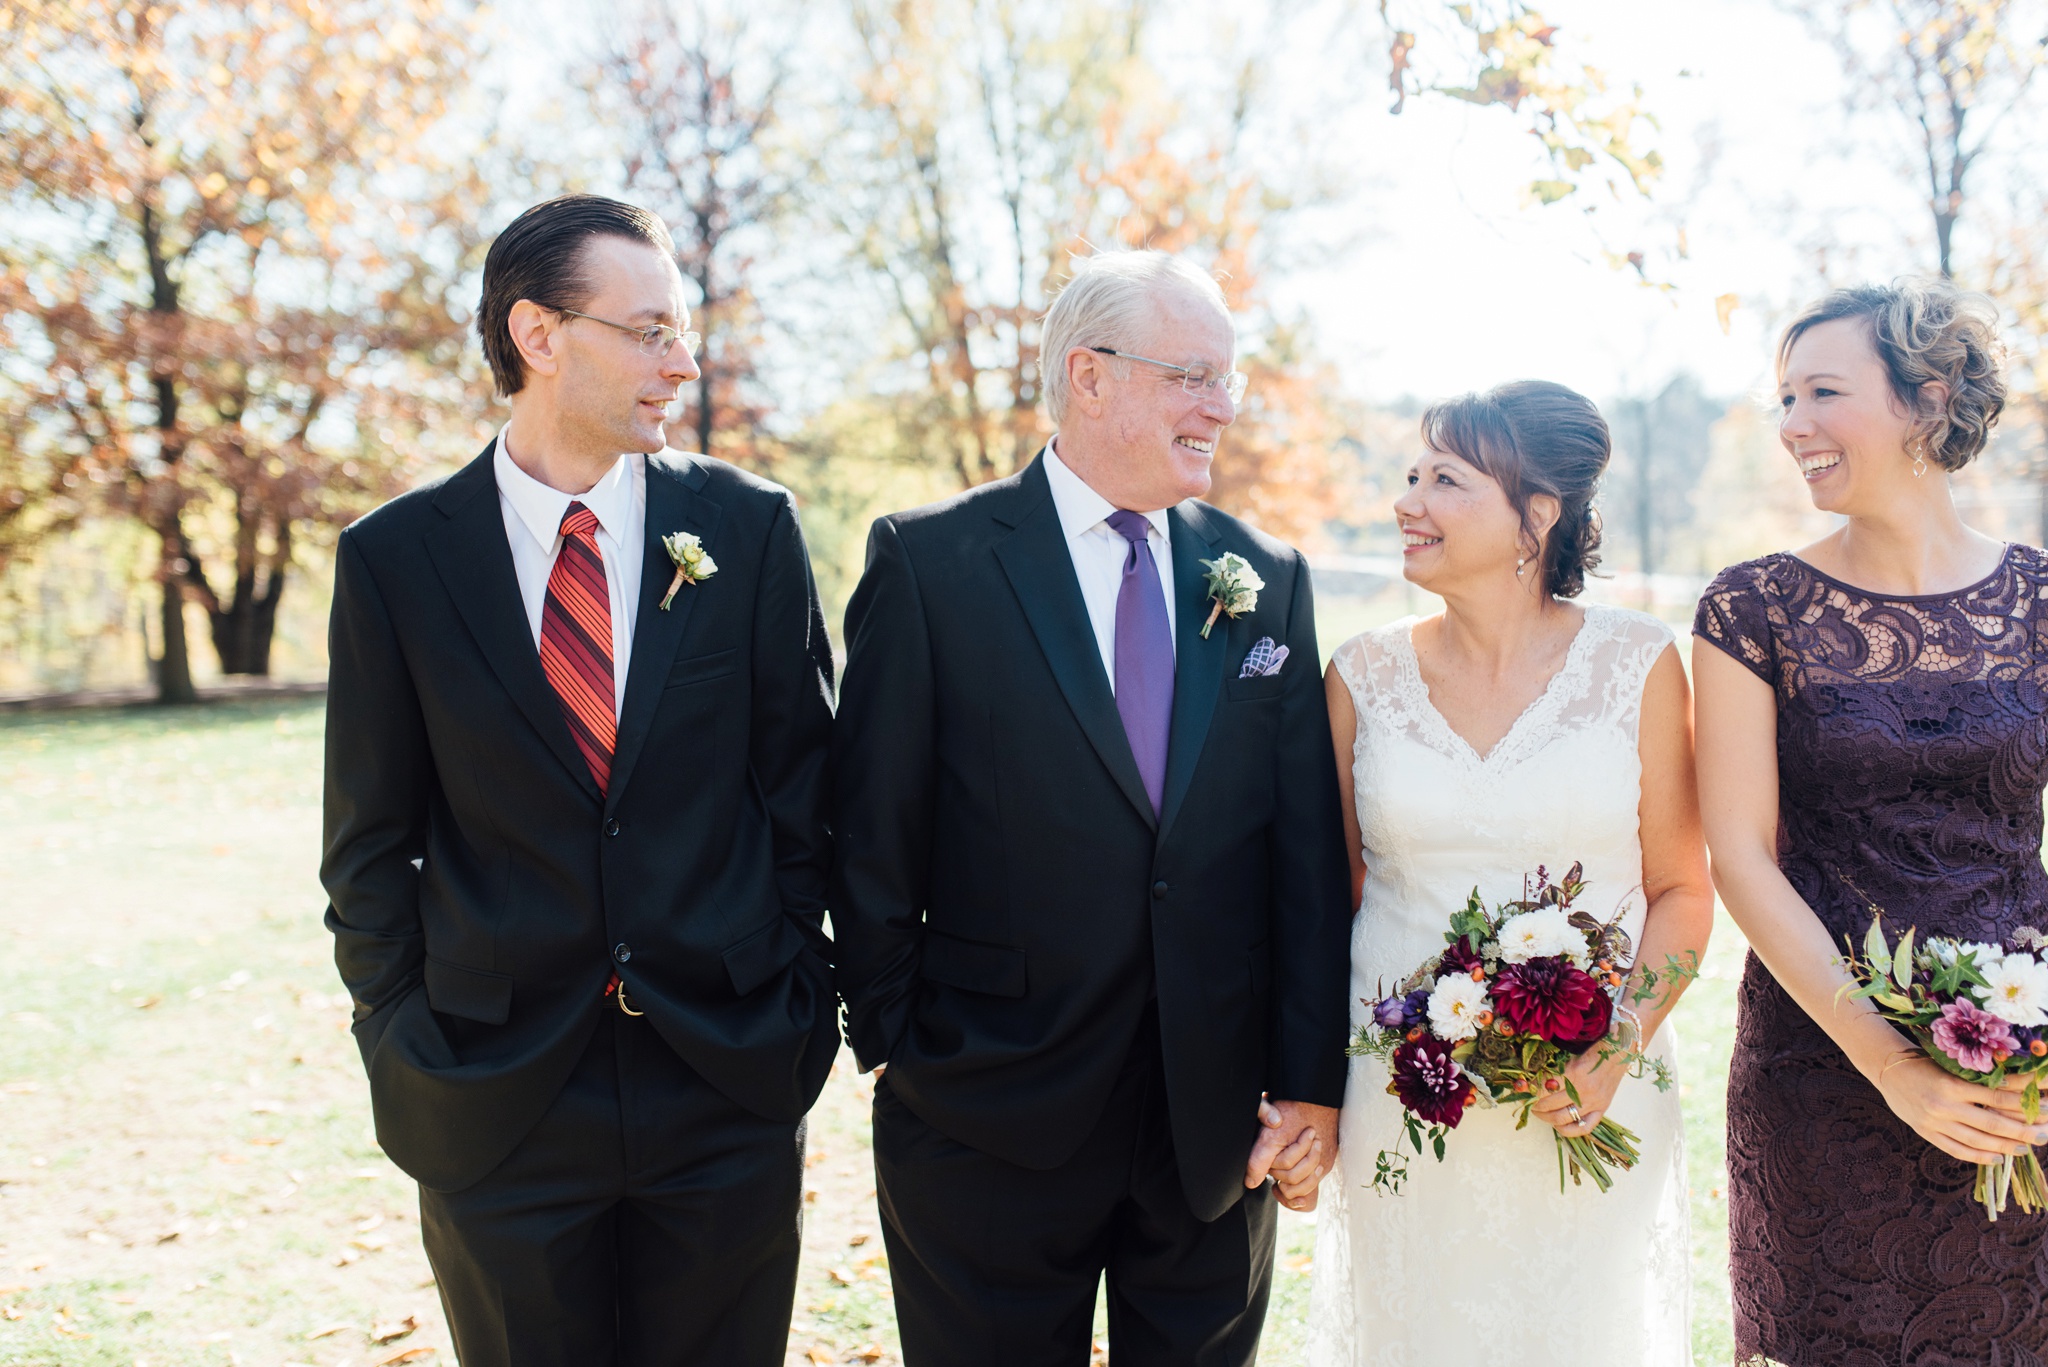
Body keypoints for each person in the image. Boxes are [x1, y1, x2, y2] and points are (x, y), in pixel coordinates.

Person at [318, 194, 838, 1367]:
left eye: (682, 330)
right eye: (648, 330)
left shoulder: (747, 528)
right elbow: (367, 839)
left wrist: (791, 989)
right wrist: (398, 1036)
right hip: (495, 1097)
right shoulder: (394, 560)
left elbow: (807, 791)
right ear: (538, 336)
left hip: (724, 1078)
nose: (681, 362)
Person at [829, 249, 1354, 1366]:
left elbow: (1302, 856)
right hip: (983, 1116)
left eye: (1229, 380)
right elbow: (869, 831)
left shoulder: (1267, 577)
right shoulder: (930, 564)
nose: (1220, 406)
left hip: (1215, 1134)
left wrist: (1307, 1080)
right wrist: (899, 1043)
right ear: (1090, 376)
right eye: (1192, 376)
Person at [1307, 381, 1711, 1365]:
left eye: (1442, 478)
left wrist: (1614, 1042)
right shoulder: (1360, 672)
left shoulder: (1637, 661)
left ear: (1535, 513)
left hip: (1589, 1093)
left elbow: (1679, 887)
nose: (1406, 501)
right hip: (1408, 1093)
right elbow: (1327, 894)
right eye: (1409, 475)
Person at [1693, 279, 2048, 1364]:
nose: (1790, 424)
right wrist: (1889, 1061)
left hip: (2022, 1072)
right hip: (1822, 1070)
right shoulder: (1750, 609)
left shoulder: (2037, 598)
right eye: (1782, 398)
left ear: (1923, 403)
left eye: (1820, 392)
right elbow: (1741, 857)